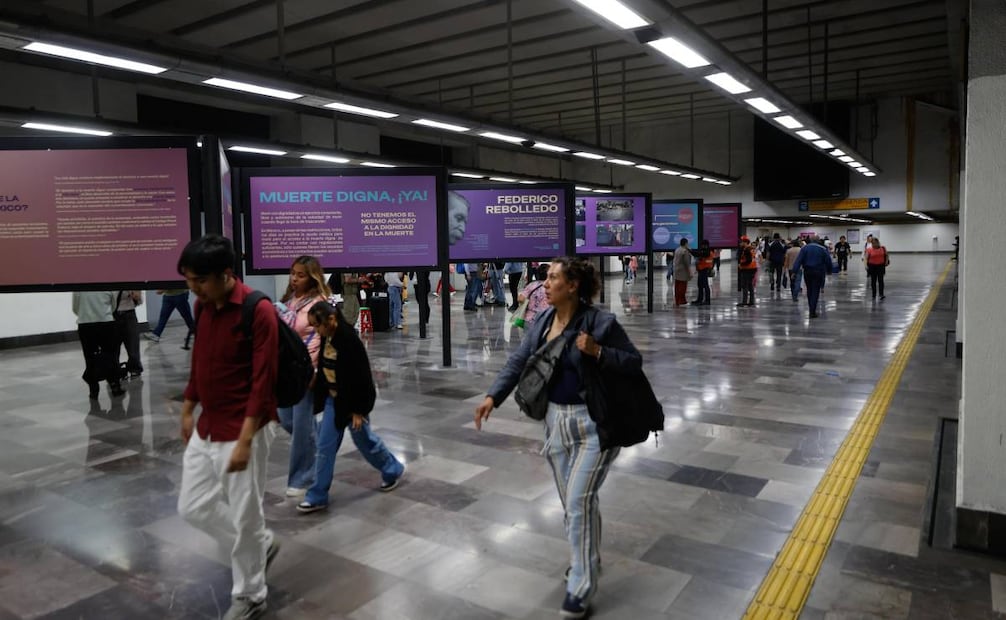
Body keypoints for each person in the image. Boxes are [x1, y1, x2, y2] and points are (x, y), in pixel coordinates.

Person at [475, 257, 642, 619]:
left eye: (552, 277)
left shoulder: (601, 323)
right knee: (575, 506)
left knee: (579, 501)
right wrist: (493, 396)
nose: (545, 283)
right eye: (547, 277)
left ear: (573, 286)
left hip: (595, 425)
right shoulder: (543, 321)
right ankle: (589, 560)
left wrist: (597, 351)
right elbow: (518, 361)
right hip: (555, 423)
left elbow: (633, 362)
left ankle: (580, 583)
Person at [175, 234, 280, 620]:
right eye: (189, 281)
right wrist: (188, 408)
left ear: (225, 275)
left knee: (245, 515)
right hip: (208, 426)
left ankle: (251, 593)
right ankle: (260, 544)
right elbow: (200, 362)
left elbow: (263, 380)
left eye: (199, 280)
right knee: (192, 507)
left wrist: (246, 439)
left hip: (243, 427)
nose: (193, 288)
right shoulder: (203, 308)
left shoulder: (259, 310)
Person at [297, 301, 405, 513]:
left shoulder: (349, 341)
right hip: (334, 401)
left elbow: (362, 378)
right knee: (325, 447)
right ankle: (317, 495)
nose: (316, 331)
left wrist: (359, 411)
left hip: (354, 403)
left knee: (366, 442)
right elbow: (327, 367)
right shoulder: (327, 335)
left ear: (331, 320)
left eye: (317, 326)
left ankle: (392, 468)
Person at [277, 256, 330, 498]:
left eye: (300, 275)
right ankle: (321, 443)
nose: (294, 279)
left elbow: (322, 338)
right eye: (293, 273)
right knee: (285, 418)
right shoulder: (290, 300)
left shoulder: (320, 303)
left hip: (308, 370)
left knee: (300, 425)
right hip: (288, 369)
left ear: (312, 277)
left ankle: (302, 477)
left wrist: (317, 371)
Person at [73, 291, 125, 399]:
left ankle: (93, 389)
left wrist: (86, 314)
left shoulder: (78, 287)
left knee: (90, 357)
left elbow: (75, 307)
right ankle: (115, 386)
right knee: (111, 356)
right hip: (106, 323)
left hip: (85, 324)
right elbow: (113, 305)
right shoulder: (106, 284)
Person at [792, 237, 834, 318]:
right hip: (818, 272)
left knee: (809, 290)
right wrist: (829, 271)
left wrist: (794, 271)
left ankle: (811, 308)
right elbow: (828, 260)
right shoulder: (823, 249)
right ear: (818, 241)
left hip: (807, 271)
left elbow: (798, 260)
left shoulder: (804, 248)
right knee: (815, 290)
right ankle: (812, 311)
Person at [112, 290, 144, 379]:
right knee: (113, 346)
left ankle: (135, 368)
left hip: (129, 314)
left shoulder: (132, 280)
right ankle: (114, 369)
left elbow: (139, 300)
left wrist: (136, 296)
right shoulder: (109, 280)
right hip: (113, 315)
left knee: (133, 344)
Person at [516, 263, 550, 328]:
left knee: (528, 338)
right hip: (547, 320)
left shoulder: (532, 285)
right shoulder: (552, 286)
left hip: (530, 319)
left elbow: (520, 299)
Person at [737, 236, 758, 307]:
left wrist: (741, 264)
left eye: (742, 242)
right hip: (753, 269)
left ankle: (744, 302)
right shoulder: (751, 249)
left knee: (745, 286)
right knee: (750, 285)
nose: (741, 243)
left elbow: (748, 260)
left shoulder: (746, 250)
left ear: (745, 242)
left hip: (747, 269)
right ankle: (751, 301)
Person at [692, 240, 714, 305]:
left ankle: (707, 300)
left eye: (702, 245)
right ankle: (700, 299)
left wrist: (690, 251)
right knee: (700, 285)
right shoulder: (706, 251)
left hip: (704, 270)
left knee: (705, 285)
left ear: (705, 245)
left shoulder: (708, 252)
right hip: (701, 270)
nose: (701, 246)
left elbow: (699, 254)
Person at [672, 239, 692, 306]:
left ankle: (677, 301)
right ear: (686, 243)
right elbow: (687, 263)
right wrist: (690, 272)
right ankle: (682, 301)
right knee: (682, 287)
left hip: (676, 270)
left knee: (677, 287)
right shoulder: (684, 251)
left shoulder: (677, 250)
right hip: (683, 271)